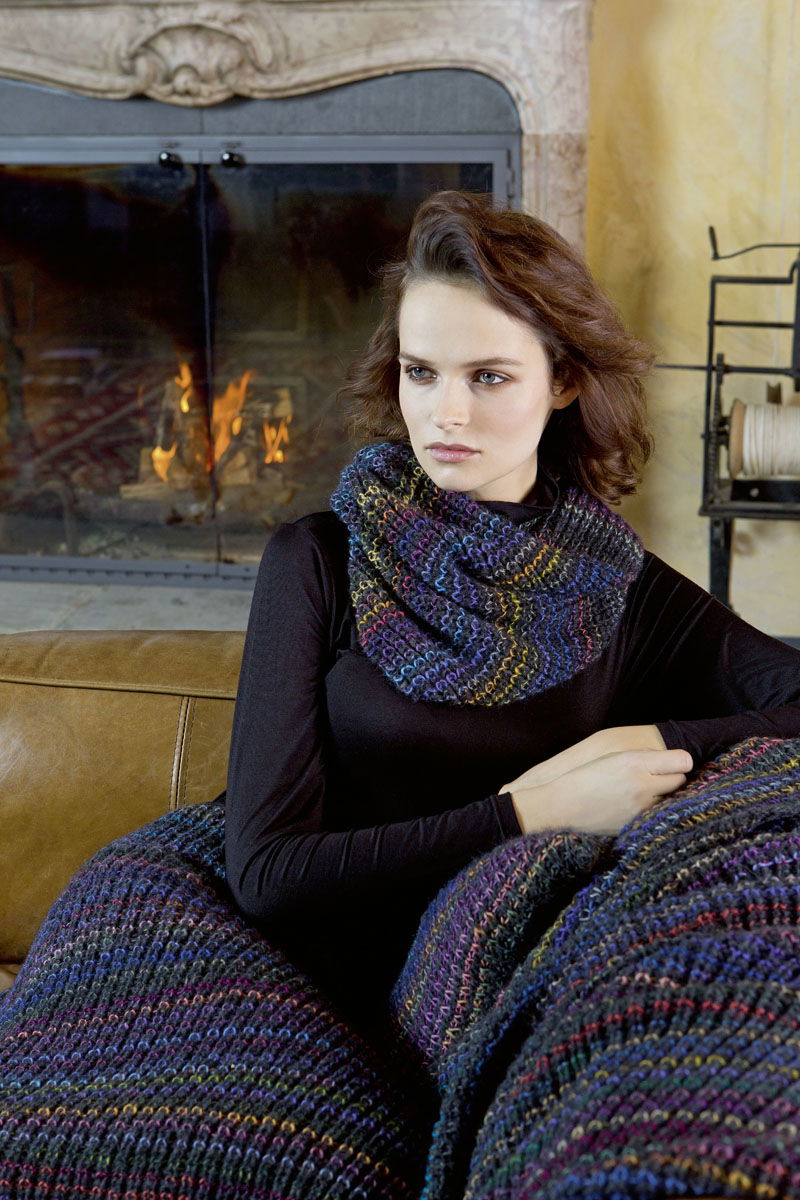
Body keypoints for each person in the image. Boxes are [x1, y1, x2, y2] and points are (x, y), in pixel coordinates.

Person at [224, 190, 800, 1033]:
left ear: (564, 380)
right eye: (421, 372)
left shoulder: (613, 582)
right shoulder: (319, 559)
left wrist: (643, 744)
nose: (445, 413)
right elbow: (269, 874)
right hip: (333, 982)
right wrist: (533, 811)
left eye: (488, 377)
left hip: (528, 970)